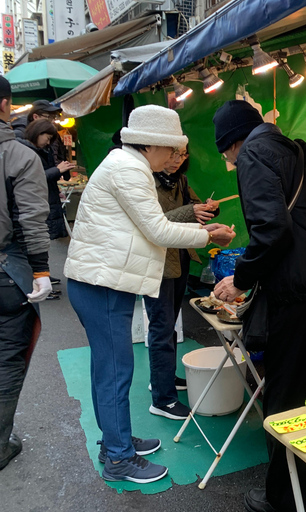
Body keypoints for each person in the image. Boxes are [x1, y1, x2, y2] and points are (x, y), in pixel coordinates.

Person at [65, 105, 235, 484]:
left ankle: (116, 442)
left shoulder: (124, 164)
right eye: (172, 150)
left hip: (104, 280)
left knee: (109, 369)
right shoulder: (129, 170)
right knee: (114, 371)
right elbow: (158, 230)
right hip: (102, 284)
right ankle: (120, 459)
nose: (174, 158)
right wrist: (210, 235)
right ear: (155, 144)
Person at [211, 100, 306, 512]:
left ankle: (280, 499)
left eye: (225, 153)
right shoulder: (292, 149)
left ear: (233, 143)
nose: (228, 160)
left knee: (287, 397)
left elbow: (272, 229)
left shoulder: (253, 154)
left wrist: (240, 278)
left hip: (302, 290)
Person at [144, 145, 220, 420]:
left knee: (170, 325)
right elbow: (151, 224)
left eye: (183, 155)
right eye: (173, 154)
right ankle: (162, 399)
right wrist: (191, 212)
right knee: (161, 329)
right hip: (158, 265)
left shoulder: (181, 181)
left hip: (180, 259)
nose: (177, 160)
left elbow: (196, 208)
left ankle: (163, 378)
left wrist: (211, 209)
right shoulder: (144, 180)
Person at [0, 75, 53, 471]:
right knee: (7, 359)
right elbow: (32, 219)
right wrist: (41, 269)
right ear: (6, 105)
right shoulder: (17, 155)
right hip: (6, 268)